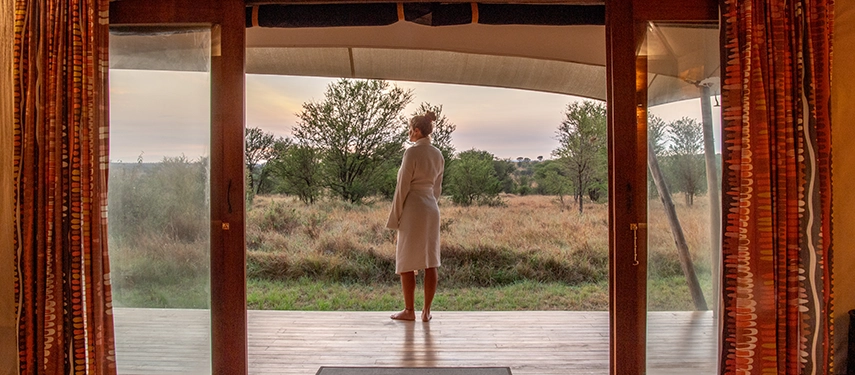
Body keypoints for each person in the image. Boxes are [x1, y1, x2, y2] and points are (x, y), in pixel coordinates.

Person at [386, 111, 445, 322]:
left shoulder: (411, 153)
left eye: (410, 129)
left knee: (407, 260)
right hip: (431, 208)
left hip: (413, 208)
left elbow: (402, 187)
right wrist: (429, 201)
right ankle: (426, 311)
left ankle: (409, 310)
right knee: (431, 260)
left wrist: (395, 218)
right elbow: (437, 189)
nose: (409, 133)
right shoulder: (438, 154)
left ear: (417, 130)